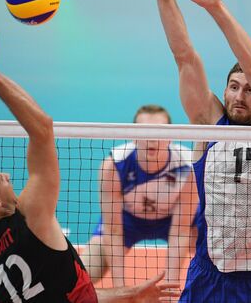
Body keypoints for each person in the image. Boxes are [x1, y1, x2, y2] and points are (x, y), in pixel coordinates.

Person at [117, 0, 251, 302]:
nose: (239, 96)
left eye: (249, 90)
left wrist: (216, 7)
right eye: (233, 87)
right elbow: (184, 55)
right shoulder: (208, 124)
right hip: (207, 276)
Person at [0, 18, 180, 303]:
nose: (7, 176)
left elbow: (68, 295)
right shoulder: (31, 216)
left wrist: (132, 294)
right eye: (0, 178)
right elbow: (42, 130)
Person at [82, 104, 197, 287]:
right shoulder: (114, 165)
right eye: (145, 131)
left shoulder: (188, 166)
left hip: (171, 220)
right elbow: (113, 230)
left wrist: (170, 287)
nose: (152, 139)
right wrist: (121, 290)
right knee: (84, 275)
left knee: (212, 251)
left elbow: (180, 231)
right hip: (127, 222)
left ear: (171, 137)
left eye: (159, 132)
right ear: (133, 136)